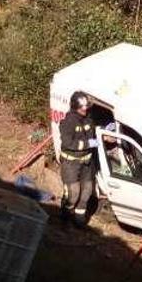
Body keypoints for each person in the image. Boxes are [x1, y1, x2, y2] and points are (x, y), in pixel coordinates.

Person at [59, 91, 99, 227]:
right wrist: (88, 144)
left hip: (87, 163)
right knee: (73, 193)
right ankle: (65, 217)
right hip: (71, 163)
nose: (86, 109)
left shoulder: (88, 118)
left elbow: (92, 132)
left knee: (87, 191)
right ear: (76, 106)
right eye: (83, 106)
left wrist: (103, 135)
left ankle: (79, 219)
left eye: (87, 106)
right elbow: (67, 143)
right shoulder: (68, 122)